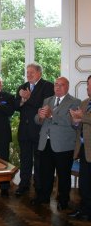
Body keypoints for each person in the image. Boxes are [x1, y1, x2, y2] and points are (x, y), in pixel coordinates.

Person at [31, 77, 81, 210]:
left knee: (63, 175)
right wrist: (40, 116)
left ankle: (63, 200)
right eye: (56, 85)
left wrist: (52, 115)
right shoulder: (48, 100)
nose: (57, 87)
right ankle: (44, 197)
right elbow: (37, 119)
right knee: (45, 173)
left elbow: (72, 122)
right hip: (45, 142)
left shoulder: (75, 102)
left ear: (67, 86)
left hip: (63, 145)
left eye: (61, 85)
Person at [15, 62, 54, 196]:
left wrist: (28, 98)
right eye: (27, 72)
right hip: (24, 131)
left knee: (39, 161)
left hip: (39, 130)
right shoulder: (22, 87)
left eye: (32, 72)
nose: (29, 74)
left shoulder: (48, 86)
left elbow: (43, 105)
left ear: (39, 73)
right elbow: (16, 106)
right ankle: (23, 185)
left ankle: (39, 187)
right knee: (25, 160)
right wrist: (22, 101)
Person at [68, 75, 91, 221]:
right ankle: (84, 209)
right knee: (84, 184)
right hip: (83, 149)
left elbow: (85, 118)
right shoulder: (84, 103)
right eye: (88, 85)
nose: (88, 88)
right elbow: (76, 125)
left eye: (90, 85)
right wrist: (75, 121)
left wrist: (82, 117)